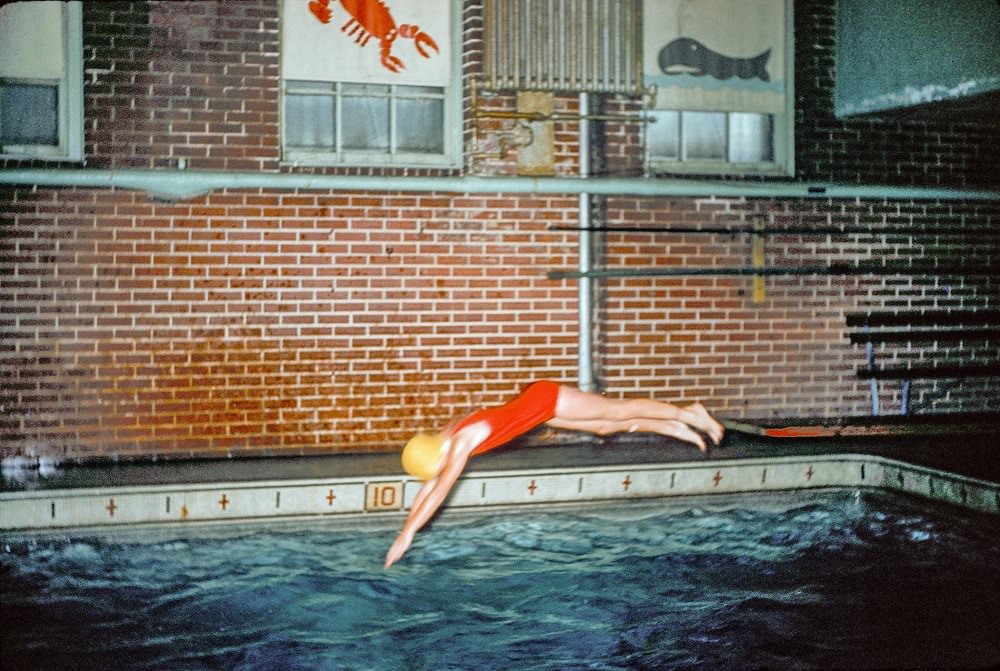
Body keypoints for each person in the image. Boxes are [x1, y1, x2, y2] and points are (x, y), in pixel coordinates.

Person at [384, 380, 724, 568]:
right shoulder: (448, 435)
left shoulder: (460, 443)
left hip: (548, 399)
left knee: (618, 410)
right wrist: (406, 524)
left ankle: (690, 413)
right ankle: (675, 427)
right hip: (539, 410)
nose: (440, 472)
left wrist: (408, 534)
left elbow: (440, 488)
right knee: (606, 427)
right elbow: (431, 486)